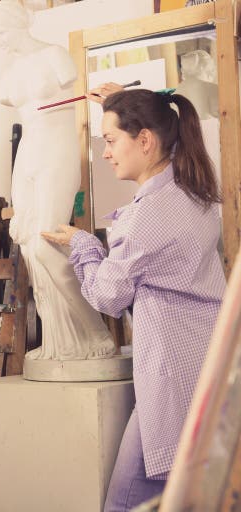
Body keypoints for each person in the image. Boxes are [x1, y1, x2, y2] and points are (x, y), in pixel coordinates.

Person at [42, 84, 226, 511]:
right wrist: (130, 101)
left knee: (123, 504)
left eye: (110, 140)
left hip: (170, 379)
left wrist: (84, 247)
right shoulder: (194, 193)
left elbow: (107, 294)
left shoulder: (149, 215)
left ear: (144, 140)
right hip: (207, 370)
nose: (105, 153)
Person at [0, 0, 116, 361]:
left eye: (1, 33)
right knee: (27, 244)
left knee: (46, 242)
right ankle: (60, 341)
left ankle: (94, 331)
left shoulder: (56, 56)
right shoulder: (9, 72)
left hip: (57, 149)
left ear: (19, 25)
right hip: (29, 149)